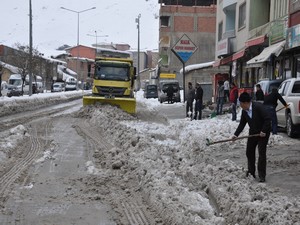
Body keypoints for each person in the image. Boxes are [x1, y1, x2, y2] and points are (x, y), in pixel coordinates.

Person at [232, 92, 271, 182]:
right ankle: (251, 172)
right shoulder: (244, 111)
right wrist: (236, 134)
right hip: (253, 132)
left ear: (246, 103)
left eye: (241, 104)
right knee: (249, 151)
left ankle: (262, 175)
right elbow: (242, 124)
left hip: (263, 133)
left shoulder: (258, 107)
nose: (241, 106)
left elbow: (268, 119)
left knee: (261, 153)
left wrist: (263, 131)